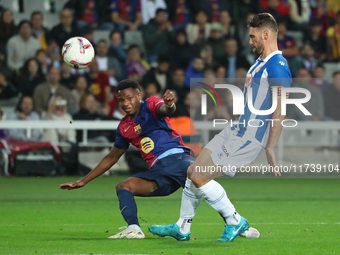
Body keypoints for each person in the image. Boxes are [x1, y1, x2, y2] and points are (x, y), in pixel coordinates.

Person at [149, 13, 292, 242]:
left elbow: (281, 110)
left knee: (200, 177)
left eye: (253, 36)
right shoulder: (259, 63)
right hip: (235, 129)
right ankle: (182, 227)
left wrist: (268, 147)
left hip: (248, 137)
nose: (250, 41)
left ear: (266, 35)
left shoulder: (278, 66)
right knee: (191, 172)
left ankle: (235, 221)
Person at [60, 79, 193, 239]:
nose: (125, 103)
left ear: (139, 95)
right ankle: (134, 228)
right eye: (121, 100)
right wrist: (84, 181)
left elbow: (166, 110)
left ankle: (231, 220)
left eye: (129, 98)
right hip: (160, 176)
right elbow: (111, 158)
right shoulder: (124, 127)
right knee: (123, 187)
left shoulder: (150, 104)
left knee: (206, 189)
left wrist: (170, 105)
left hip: (176, 162)